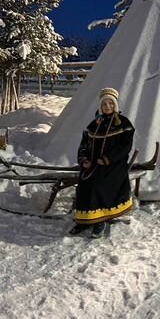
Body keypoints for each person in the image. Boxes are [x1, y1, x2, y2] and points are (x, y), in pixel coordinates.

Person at [69, 87, 135, 238]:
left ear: (115, 105)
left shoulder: (123, 124)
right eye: (104, 104)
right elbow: (84, 145)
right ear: (100, 106)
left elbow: (125, 147)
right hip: (94, 163)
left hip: (114, 165)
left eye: (110, 104)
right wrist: (84, 160)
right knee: (84, 183)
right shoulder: (94, 124)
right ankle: (84, 220)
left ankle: (100, 219)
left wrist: (107, 159)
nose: (107, 107)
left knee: (97, 183)